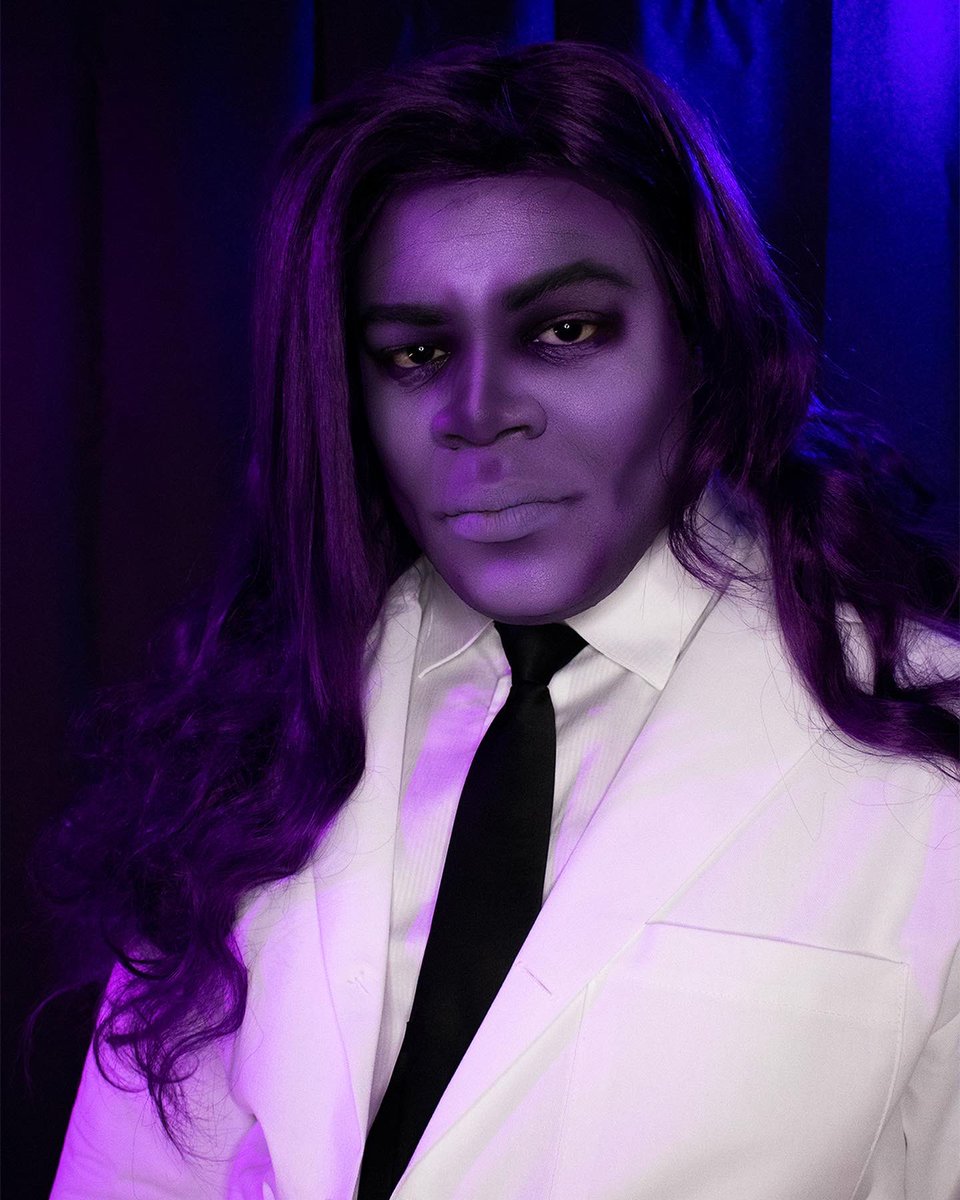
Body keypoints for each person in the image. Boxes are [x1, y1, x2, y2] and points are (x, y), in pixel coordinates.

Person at [49, 39, 958, 1200]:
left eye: (564, 331)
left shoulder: (930, 766)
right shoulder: (256, 722)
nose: (477, 413)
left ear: (703, 340)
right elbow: (134, 1175)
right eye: (416, 353)